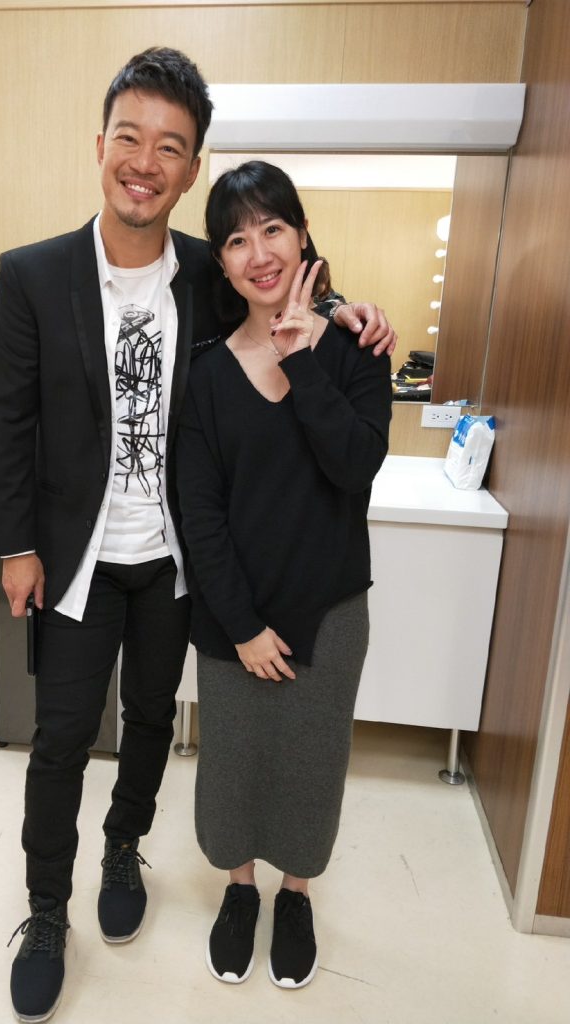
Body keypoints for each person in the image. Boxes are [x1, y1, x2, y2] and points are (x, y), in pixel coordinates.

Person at [0, 48, 396, 1023]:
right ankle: (47, 910)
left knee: (152, 722)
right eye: (130, 138)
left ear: (189, 167)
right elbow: (11, 419)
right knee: (60, 738)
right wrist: (16, 545)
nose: (146, 161)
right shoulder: (32, 274)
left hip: (177, 560)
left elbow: (283, 287)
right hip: (79, 560)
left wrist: (348, 312)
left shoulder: (207, 269)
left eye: (170, 147)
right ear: (101, 146)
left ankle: (125, 846)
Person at [175, 160, 393, 990]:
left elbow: (355, 465)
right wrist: (241, 627)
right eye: (237, 239)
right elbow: (201, 517)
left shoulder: (355, 348)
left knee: (310, 766)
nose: (259, 252)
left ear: (303, 237)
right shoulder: (205, 374)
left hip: (329, 612)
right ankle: (240, 891)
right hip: (235, 618)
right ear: (222, 263)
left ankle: (295, 895)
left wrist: (304, 358)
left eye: (273, 228)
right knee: (233, 767)